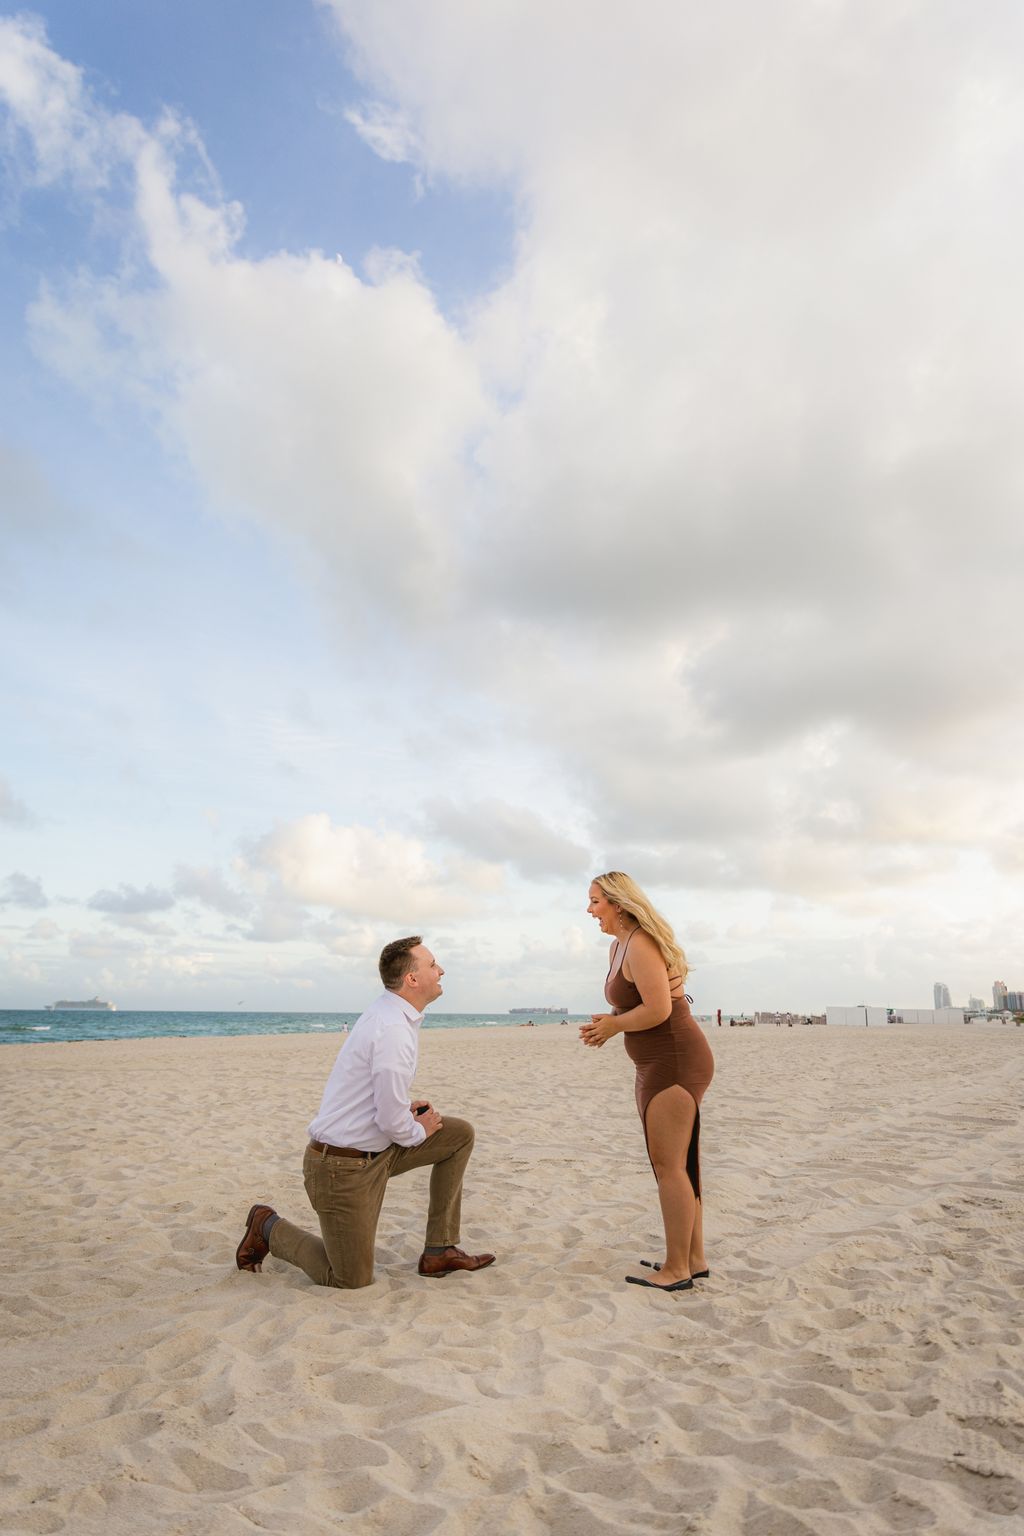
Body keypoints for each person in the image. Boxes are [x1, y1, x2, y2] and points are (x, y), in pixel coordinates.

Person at [235, 937, 495, 1288]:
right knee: (349, 1279)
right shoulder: (391, 1029)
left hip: (377, 1154)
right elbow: (391, 1123)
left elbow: (381, 1104)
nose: (441, 970)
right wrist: (419, 1129)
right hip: (341, 1168)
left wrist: (409, 1112)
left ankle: (440, 1249)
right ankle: (267, 1226)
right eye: (433, 964)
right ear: (412, 980)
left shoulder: (393, 1015)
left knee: (458, 1134)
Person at [580, 873, 714, 1292]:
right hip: (655, 1063)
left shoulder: (641, 943)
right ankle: (692, 1258)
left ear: (618, 903)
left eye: (595, 901)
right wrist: (614, 1021)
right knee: (680, 1163)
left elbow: (657, 1010)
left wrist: (614, 1026)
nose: (590, 910)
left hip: (674, 1060)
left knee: (669, 1165)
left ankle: (676, 1269)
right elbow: (640, 1002)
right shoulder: (618, 946)